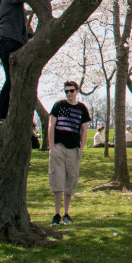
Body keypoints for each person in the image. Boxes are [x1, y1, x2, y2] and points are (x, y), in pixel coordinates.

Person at [0, 0, 55, 122]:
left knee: (12, 78)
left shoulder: (11, 6)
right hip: (8, 41)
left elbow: (20, 33)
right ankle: (1, 115)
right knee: (11, 79)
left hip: (8, 41)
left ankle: (2, 115)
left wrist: (33, 36)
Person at [47, 80, 90, 226]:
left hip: (74, 149)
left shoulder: (82, 108)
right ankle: (56, 214)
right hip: (58, 147)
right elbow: (51, 125)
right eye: (67, 91)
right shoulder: (59, 105)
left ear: (77, 91)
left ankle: (66, 213)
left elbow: (84, 129)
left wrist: (81, 148)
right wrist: (51, 146)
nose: (69, 94)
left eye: (72, 91)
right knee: (57, 180)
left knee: (70, 180)